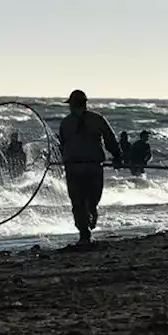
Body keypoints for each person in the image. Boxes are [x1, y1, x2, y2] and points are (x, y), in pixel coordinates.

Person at [58, 90, 123, 247]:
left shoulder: (66, 123)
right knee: (89, 199)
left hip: (77, 167)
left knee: (78, 201)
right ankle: (86, 228)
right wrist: (117, 157)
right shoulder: (97, 119)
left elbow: (62, 146)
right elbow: (110, 140)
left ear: (72, 105)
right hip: (90, 166)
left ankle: (84, 231)